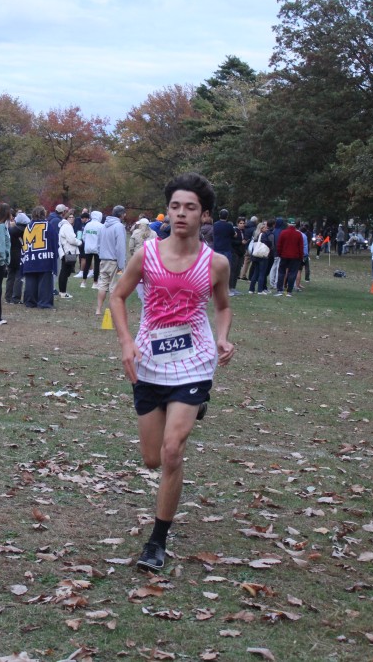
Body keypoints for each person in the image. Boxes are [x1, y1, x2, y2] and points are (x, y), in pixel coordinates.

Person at [110, 172, 234, 572]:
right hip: (149, 362)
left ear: (204, 215)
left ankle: (157, 542)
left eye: (190, 208)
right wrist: (126, 342)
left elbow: (223, 306)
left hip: (194, 362)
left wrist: (223, 338)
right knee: (151, 459)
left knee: (171, 452)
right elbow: (117, 296)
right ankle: (192, 408)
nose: (181, 213)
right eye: (175, 206)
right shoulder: (146, 254)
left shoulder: (216, 263)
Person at [21, 206, 59, 309]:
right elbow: (54, 240)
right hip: (45, 258)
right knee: (45, 282)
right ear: (44, 214)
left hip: (30, 257)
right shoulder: (48, 225)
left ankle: (30, 301)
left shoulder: (28, 227)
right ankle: (44, 302)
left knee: (30, 281)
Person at [95, 205, 127, 316]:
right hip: (114, 261)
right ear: (121, 214)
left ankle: (98, 309)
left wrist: (101, 255)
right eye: (124, 213)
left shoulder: (103, 226)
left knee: (102, 285)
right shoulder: (119, 226)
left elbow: (98, 244)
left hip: (103, 260)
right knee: (114, 287)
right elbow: (120, 247)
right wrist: (121, 264)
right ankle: (112, 310)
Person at [57, 208, 83, 299]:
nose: (71, 219)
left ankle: (62, 291)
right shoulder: (67, 226)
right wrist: (79, 242)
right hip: (68, 251)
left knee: (65, 271)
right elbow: (71, 240)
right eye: (70, 217)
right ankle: (63, 292)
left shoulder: (65, 226)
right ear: (66, 218)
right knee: (65, 272)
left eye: (73, 217)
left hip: (66, 251)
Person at [5, 211, 28, 303]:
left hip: (11, 254)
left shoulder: (10, 230)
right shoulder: (25, 231)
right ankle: (16, 298)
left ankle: (8, 297)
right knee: (19, 277)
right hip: (20, 255)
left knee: (10, 276)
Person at [275, 220, 302, 297]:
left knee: (281, 272)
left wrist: (279, 254)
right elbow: (300, 246)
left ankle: (279, 290)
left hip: (284, 255)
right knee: (292, 273)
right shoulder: (298, 234)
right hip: (295, 256)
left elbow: (279, 245)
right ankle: (289, 291)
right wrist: (300, 256)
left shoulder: (283, 233)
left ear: (288, 224)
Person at [80, 210, 103, 287]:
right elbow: (102, 237)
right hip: (97, 248)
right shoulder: (101, 226)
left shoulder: (88, 225)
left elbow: (83, 236)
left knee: (87, 264)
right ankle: (95, 283)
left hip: (88, 248)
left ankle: (83, 282)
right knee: (97, 265)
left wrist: (87, 243)